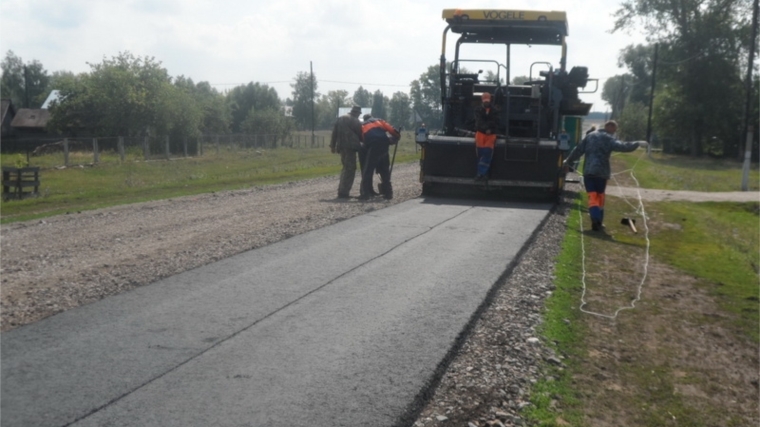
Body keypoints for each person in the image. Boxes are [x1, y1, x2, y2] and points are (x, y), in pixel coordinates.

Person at [563, 120, 643, 231]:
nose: (614, 133)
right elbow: (623, 146)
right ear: (610, 127)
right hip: (602, 172)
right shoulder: (609, 138)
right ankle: (597, 220)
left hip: (589, 171)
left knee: (592, 196)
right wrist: (638, 143)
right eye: (614, 130)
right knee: (600, 196)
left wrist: (568, 161)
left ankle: (597, 220)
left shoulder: (590, 136)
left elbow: (578, 150)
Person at [360, 114, 400, 200]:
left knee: (368, 170)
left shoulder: (363, 125)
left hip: (373, 146)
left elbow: (363, 140)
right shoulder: (379, 120)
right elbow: (392, 130)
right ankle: (388, 193)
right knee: (384, 170)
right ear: (371, 117)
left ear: (364, 119)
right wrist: (396, 136)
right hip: (384, 145)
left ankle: (365, 194)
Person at [330, 105, 364, 199]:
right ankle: (344, 193)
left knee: (345, 168)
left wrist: (332, 145)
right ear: (357, 113)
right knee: (350, 169)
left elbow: (334, 132)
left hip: (341, 147)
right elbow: (360, 135)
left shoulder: (340, 118)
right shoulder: (355, 121)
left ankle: (341, 190)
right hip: (351, 147)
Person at [474, 92, 500, 181]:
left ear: (490, 100)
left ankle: (482, 174)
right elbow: (478, 122)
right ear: (482, 101)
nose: (486, 103)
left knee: (487, 153)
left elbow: (495, 122)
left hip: (491, 134)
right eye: (485, 101)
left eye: (487, 101)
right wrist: (486, 129)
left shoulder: (495, 111)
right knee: (480, 154)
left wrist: (489, 129)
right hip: (480, 134)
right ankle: (482, 174)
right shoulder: (478, 110)